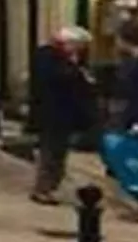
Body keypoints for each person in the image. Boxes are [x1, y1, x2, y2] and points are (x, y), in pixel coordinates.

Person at [30, 26, 95, 205]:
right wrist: (76, 71)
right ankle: (43, 188)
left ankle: (50, 186)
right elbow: (56, 79)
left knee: (58, 152)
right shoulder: (48, 57)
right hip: (52, 113)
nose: (80, 50)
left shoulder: (67, 59)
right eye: (78, 45)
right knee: (51, 152)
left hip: (65, 114)